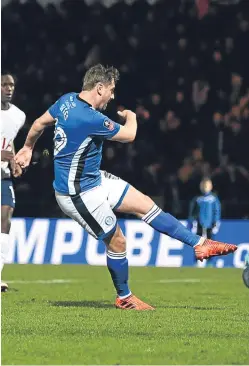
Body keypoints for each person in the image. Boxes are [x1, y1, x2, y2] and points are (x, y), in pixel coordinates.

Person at [15, 64, 237, 310]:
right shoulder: (90, 118)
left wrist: (27, 147)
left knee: (145, 204)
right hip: (77, 194)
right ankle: (124, 297)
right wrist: (132, 116)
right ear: (99, 88)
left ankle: (199, 244)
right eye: (111, 90)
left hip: (93, 180)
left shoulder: (66, 101)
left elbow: (38, 123)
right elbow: (130, 135)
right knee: (118, 242)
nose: (113, 96)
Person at [1, 73, 26, 292]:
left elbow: (9, 143)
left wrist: (14, 161)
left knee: (6, 216)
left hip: (2, 177)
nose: (9, 88)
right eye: (4, 85)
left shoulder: (19, 116)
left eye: (12, 85)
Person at [188, 178, 221, 246]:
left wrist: (216, 222)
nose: (205, 187)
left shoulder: (213, 198)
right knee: (198, 244)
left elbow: (217, 211)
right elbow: (192, 211)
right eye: (203, 185)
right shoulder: (197, 198)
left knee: (209, 244)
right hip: (199, 225)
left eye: (206, 185)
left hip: (210, 225)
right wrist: (192, 222)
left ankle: (208, 256)